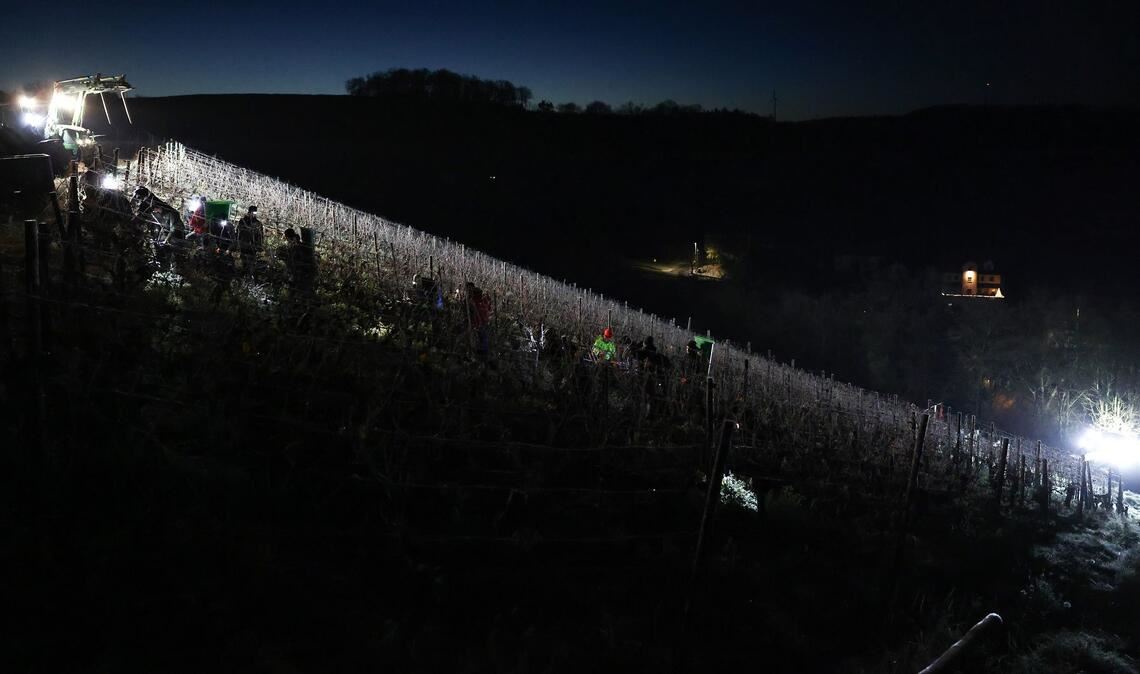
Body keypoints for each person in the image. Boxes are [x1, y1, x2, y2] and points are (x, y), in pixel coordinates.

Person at [236, 205, 265, 275]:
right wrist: (237, 244)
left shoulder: (258, 223)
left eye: (254, 213)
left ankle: (250, 277)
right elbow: (238, 232)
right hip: (243, 245)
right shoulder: (242, 221)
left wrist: (260, 246)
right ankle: (243, 276)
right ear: (249, 212)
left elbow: (260, 236)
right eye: (252, 212)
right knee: (244, 262)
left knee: (251, 264)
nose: (253, 214)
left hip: (253, 247)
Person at [465, 282, 492, 356]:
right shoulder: (475, 302)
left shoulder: (478, 302)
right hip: (478, 323)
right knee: (482, 337)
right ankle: (481, 351)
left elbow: (484, 312)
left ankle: (482, 351)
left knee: (482, 337)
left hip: (480, 323)